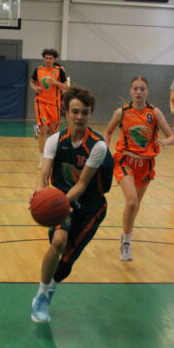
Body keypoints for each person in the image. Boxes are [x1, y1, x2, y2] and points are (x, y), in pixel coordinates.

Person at [30, 86, 112, 323]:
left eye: (85, 112)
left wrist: (56, 203)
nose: (79, 117)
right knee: (58, 241)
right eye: (75, 111)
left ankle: (51, 289)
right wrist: (40, 196)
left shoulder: (97, 146)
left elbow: (83, 184)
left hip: (91, 205)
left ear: (90, 114)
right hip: (62, 197)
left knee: (66, 260)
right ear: (66, 113)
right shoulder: (55, 141)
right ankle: (41, 296)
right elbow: (43, 173)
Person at [103, 76, 174, 262]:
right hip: (125, 160)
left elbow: (172, 136)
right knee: (132, 201)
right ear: (130, 91)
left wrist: (165, 141)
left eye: (142, 89)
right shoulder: (122, 112)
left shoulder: (154, 113)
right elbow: (108, 131)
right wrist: (105, 147)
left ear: (147, 91)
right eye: (135, 88)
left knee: (135, 206)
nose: (139, 92)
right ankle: (127, 242)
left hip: (146, 164)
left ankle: (125, 233)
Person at [30, 49, 69, 154]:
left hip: (54, 104)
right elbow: (32, 82)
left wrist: (55, 82)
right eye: (46, 58)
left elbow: (65, 86)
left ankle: (51, 153)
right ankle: (42, 157)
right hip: (41, 102)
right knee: (43, 131)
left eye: (50, 58)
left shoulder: (59, 71)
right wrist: (35, 88)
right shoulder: (38, 70)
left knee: (53, 132)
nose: (47, 60)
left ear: (54, 59)